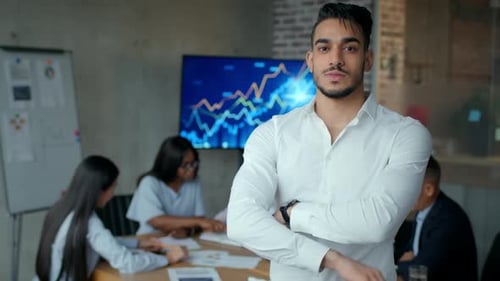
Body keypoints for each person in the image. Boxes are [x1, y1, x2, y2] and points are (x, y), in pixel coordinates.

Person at [226, 2, 432, 281]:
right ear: (310, 59)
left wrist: (292, 215)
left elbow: (378, 222)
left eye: (349, 48)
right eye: (324, 48)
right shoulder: (272, 134)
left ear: (368, 59)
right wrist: (332, 259)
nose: (335, 59)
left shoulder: (405, 135)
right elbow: (240, 222)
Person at [34, 155, 188, 281]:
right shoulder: (89, 222)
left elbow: (97, 242)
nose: (112, 194)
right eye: (113, 187)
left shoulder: (61, 209)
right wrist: (168, 258)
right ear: (99, 190)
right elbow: (126, 263)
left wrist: (137, 243)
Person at [394, 156, 478, 281]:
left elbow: (423, 269)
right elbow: (411, 253)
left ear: (428, 189)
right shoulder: (424, 210)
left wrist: (400, 266)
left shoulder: (448, 219)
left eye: (408, 187)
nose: (402, 193)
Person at [126, 135, 225, 236]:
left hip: (183, 239)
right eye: (185, 165)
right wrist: (198, 222)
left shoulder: (194, 182)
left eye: (193, 163)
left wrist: (187, 230)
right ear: (171, 164)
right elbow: (156, 221)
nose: (191, 170)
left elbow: (199, 218)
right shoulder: (149, 183)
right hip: (150, 240)